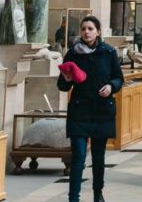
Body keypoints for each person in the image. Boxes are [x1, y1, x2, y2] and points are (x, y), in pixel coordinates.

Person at [57, 15, 122, 202]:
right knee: (78, 156)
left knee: (98, 157)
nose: (86, 32)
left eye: (90, 28)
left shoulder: (108, 52)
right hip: (80, 110)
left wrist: (111, 86)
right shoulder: (73, 54)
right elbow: (62, 86)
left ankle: (97, 193)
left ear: (98, 32)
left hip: (102, 110)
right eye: (84, 28)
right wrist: (66, 79)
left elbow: (119, 78)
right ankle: (73, 198)